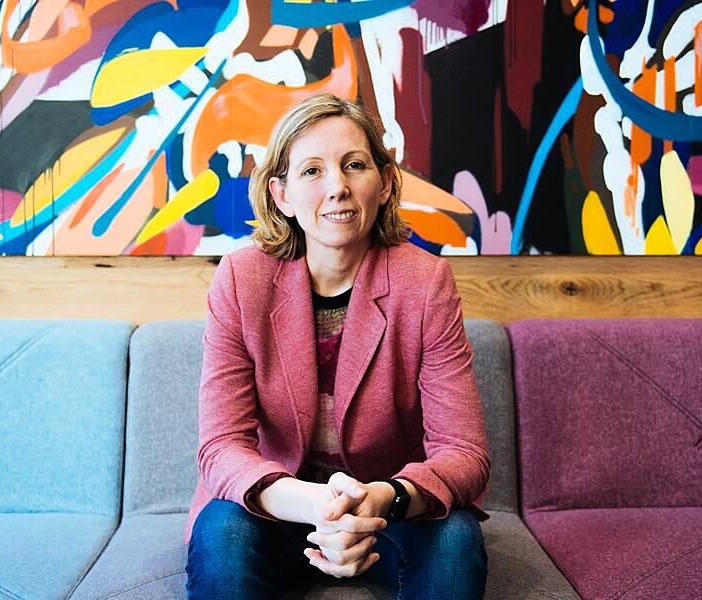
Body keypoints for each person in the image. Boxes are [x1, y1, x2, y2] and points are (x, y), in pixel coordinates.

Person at [185, 93, 490, 600]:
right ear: (281, 195)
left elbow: (464, 453)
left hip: (388, 511)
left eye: (354, 165)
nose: (338, 188)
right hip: (277, 507)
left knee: (456, 537)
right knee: (222, 529)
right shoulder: (241, 279)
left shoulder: (426, 282)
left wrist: (385, 500)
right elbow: (221, 447)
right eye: (311, 171)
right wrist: (314, 505)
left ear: (385, 182)